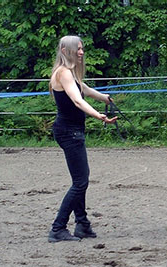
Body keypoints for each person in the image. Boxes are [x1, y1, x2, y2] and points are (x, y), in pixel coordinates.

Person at [48, 35, 117, 243]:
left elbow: (85, 90)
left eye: (81, 48)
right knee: (80, 182)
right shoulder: (63, 73)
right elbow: (78, 101)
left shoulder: (71, 74)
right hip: (69, 132)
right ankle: (58, 228)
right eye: (78, 49)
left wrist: (104, 98)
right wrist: (98, 115)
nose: (81, 52)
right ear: (65, 49)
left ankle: (82, 225)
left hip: (72, 131)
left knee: (80, 180)